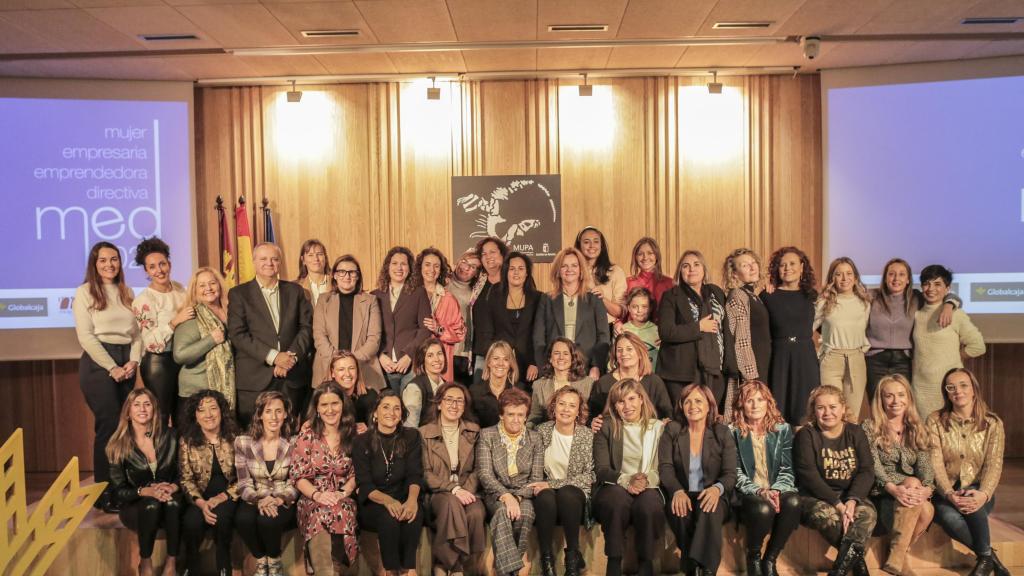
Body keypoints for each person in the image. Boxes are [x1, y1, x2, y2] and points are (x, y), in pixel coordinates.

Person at [75, 241, 141, 512]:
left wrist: (134, 361)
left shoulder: (128, 291)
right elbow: (86, 337)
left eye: (114, 259)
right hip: (97, 363)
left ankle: (121, 487)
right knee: (108, 427)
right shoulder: (85, 292)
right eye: (103, 260)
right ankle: (103, 492)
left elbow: (138, 333)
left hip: (126, 361)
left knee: (125, 428)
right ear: (94, 264)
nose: (109, 264)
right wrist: (111, 367)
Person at [927, 368, 1008, 576]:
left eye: (963, 385)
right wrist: (948, 493)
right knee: (948, 517)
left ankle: (986, 561)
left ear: (974, 389)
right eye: (951, 387)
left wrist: (983, 493)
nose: (958, 391)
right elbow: (935, 463)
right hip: (946, 491)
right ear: (946, 393)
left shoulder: (993, 423)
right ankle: (989, 560)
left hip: (978, 488)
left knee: (973, 506)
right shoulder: (935, 420)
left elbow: (994, 463)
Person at [794, 385, 877, 576]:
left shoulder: (855, 432)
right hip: (815, 496)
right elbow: (809, 476)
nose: (827, 412)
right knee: (828, 516)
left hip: (851, 495)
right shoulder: (806, 435)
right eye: (821, 407)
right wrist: (838, 504)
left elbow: (867, 471)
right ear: (814, 411)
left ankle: (838, 572)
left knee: (867, 516)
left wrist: (852, 500)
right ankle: (858, 567)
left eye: (832, 407)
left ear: (842, 408)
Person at [227, 242, 313, 425]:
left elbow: (306, 328)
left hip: (291, 378)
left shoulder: (295, 291)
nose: (269, 263)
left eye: (274, 259)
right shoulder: (238, 294)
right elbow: (238, 334)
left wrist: (289, 359)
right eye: (263, 259)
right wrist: (274, 357)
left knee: (289, 435)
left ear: (280, 262)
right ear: (254, 262)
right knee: (253, 438)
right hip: (255, 379)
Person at [592, 379, 666, 576]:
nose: (627, 406)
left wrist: (644, 481)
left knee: (649, 505)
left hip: (648, 484)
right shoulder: (606, 426)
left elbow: (663, 467)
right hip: (615, 484)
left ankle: (645, 563)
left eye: (632, 399)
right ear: (614, 405)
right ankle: (614, 562)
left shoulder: (658, 428)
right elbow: (601, 469)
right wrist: (626, 480)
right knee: (615, 500)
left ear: (641, 399)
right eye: (621, 401)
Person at [862, 375, 935, 576]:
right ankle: (898, 559)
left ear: (909, 398)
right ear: (881, 400)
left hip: (910, 495)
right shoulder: (869, 427)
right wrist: (893, 487)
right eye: (889, 396)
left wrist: (927, 489)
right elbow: (872, 465)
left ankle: (897, 556)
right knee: (917, 491)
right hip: (881, 491)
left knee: (927, 508)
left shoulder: (918, 428)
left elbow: (926, 467)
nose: (896, 401)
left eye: (901, 395)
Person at [659, 384, 736, 576]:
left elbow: (730, 474)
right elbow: (665, 468)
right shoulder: (673, 430)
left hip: (714, 494)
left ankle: (700, 568)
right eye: (688, 401)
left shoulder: (721, 432)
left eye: (698, 400)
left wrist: (716, 489)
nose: (693, 405)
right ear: (682, 406)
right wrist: (676, 490)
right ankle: (696, 569)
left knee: (709, 508)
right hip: (683, 492)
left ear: (709, 405)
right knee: (678, 511)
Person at [106, 388, 181, 576]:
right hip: (135, 504)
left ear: (154, 410)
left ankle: (171, 563)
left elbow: (185, 474)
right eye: (137, 404)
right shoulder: (118, 444)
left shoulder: (172, 436)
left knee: (172, 503)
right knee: (151, 506)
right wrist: (144, 491)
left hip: (170, 498)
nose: (142, 409)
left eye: (147, 404)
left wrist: (172, 486)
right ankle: (145, 562)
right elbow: (117, 492)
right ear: (128, 412)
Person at [730, 381, 801, 576]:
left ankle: (770, 558)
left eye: (760, 399)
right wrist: (761, 491)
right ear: (741, 405)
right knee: (762, 507)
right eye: (749, 400)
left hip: (777, 487)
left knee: (794, 501)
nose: (755, 405)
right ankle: (753, 556)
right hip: (749, 491)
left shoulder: (783, 429)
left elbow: (787, 468)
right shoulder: (732, 432)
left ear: (768, 402)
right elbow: (735, 473)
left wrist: (776, 491)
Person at [864, 258, 958, 405]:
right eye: (891, 274)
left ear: (908, 279)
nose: (896, 278)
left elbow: (949, 295)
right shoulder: (871, 296)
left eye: (902, 274)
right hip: (874, 360)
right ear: (885, 278)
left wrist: (949, 305)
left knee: (901, 405)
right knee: (877, 405)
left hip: (903, 360)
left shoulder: (917, 298)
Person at [291, 382, 360, 575]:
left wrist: (342, 492)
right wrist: (317, 495)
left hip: (343, 495)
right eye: (324, 405)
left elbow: (357, 473)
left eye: (335, 403)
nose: (330, 410)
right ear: (317, 409)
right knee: (319, 514)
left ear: (343, 404)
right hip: (312, 497)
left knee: (342, 510)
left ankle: (337, 570)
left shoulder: (353, 433)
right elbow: (298, 475)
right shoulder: (307, 435)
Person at [352, 390, 424, 576]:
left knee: (412, 515)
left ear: (401, 414)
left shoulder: (412, 437)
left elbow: (414, 475)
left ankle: (408, 570)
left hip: (403, 495)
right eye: (385, 407)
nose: (391, 413)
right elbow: (364, 484)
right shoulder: (362, 441)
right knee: (389, 518)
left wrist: (411, 500)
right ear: (375, 413)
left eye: (396, 408)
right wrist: (387, 501)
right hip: (373, 501)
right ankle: (391, 571)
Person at [476, 388, 545, 576]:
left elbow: (536, 479)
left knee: (527, 513)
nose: (516, 419)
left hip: (524, 494)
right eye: (510, 414)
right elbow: (485, 474)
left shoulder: (535, 439)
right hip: (495, 493)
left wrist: (518, 497)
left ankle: (504, 571)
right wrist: (506, 496)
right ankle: (514, 571)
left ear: (526, 416)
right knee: (501, 513)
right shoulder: (486, 435)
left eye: (520, 415)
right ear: (501, 415)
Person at [420, 382, 486, 576]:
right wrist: (454, 489)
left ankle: (445, 564)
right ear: (439, 404)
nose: (454, 405)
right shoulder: (423, 433)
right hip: (438, 493)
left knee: (475, 513)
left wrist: (465, 490)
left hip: (469, 491)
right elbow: (425, 473)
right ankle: (454, 567)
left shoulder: (474, 431)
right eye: (449, 400)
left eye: (459, 401)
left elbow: (479, 469)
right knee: (450, 503)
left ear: (464, 406)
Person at [531, 387, 595, 576]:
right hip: (546, 489)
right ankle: (547, 559)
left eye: (572, 405)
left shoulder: (587, 435)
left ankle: (572, 559)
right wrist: (548, 486)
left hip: (575, 492)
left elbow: (589, 475)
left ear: (578, 411)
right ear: (554, 406)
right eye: (562, 404)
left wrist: (554, 484)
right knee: (544, 498)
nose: (566, 409)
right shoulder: (541, 431)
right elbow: (535, 469)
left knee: (567, 493)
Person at [234, 391, 298, 576]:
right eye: (269, 411)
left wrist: (279, 499)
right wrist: (259, 499)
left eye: (279, 411)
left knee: (267, 521)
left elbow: (296, 481)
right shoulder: (243, 442)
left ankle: (275, 562)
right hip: (256, 495)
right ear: (260, 414)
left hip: (283, 497)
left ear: (286, 414)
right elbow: (243, 483)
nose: (274, 416)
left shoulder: (294, 442)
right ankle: (262, 561)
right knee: (243, 519)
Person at [179, 390, 239, 576]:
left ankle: (224, 566)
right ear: (195, 416)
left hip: (230, 495)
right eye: (202, 410)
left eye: (213, 408)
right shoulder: (187, 441)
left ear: (221, 411)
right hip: (201, 498)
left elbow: (245, 477)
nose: (209, 414)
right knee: (191, 521)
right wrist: (201, 503)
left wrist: (223, 496)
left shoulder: (237, 437)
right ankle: (191, 567)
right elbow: (185, 479)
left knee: (221, 518)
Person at [912, 265, 985, 418]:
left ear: (947, 288)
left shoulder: (955, 314)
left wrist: (956, 356)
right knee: (925, 438)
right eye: (927, 283)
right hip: (921, 389)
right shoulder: (916, 314)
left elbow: (978, 346)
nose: (931, 288)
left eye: (937, 284)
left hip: (949, 388)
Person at [657, 250, 727, 407]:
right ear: (680, 272)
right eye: (685, 266)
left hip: (714, 369)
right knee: (683, 420)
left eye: (696, 264)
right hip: (681, 372)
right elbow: (666, 332)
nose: (691, 269)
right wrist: (699, 327)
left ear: (704, 269)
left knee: (710, 419)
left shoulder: (716, 293)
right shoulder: (671, 296)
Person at [132, 237, 188, 424]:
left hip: (182, 359)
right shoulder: (144, 300)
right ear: (147, 271)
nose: (159, 270)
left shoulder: (181, 290)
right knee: (161, 417)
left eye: (162, 264)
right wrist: (174, 323)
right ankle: (160, 454)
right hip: (159, 364)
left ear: (169, 264)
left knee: (183, 415)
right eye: (152, 267)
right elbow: (149, 342)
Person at [761, 246, 819, 425]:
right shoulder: (768, 295)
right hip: (780, 357)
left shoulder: (812, 296)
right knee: (779, 411)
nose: (787, 268)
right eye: (782, 265)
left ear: (802, 267)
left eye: (792, 263)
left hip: (805, 357)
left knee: (805, 410)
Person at [312, 254, 386, 392]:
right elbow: (319, 336)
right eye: (341, 272)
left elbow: (374, 339)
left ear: (358, 276)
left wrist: (351, 365)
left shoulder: (370, 301)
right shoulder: (323, 300)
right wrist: (338, 364)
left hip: (364, 369)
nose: (347, 276)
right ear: (334, 275)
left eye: (352, 272)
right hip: (328, 369)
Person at [534, 247, 610, 379]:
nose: (570, 270)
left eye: (574, 265)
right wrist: (544, 369)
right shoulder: (546, 300)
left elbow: (603, 337)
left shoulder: (594, 299)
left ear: (581, 270)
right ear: (558, 271)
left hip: (587, 370)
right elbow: (539, 339)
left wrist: (596, 366)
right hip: (554, 370)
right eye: (564, 266)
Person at [815, 257, 872, 422]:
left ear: (855, 278)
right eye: (838, 274)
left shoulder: (864, 303)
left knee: (851, 414)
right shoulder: (825, 302)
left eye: (849, 274)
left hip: (856, 359)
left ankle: (850, 447)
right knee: (832, 411)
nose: (844, 278)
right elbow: (807, 327)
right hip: (831, 359)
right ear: (832, 278)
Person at [173, 267, 235, 419]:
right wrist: (211, 340)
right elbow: (180, 355)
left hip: (226, 390)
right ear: (194, 290)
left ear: (220, 285)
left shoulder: (231, 312)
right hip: (196, 393)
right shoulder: (191, 315)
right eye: (202, 285)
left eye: (212, 283)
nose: (208, 288)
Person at [373, 246, 433, 394]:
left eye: (403, 264)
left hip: (410, 365)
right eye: (394, 263)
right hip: (383, 366)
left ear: (409, 268)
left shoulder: (419, 293)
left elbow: (425, 329)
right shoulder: (374, 295)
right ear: (387, 267)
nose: (399, 268)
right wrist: (380, 355)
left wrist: (409, 355)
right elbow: (370, 332)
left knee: (410, 408)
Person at [476, 251, 542, 385]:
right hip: (500, 364)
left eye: (521, 269)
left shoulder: (538, 298)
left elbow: (540, 334)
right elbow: (487, 331)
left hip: (529, 366)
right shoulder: (494, 295)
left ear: (527, 273)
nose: (516, 273)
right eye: (512, 269)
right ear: (506, 272)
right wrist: (492, 360)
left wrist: (535, 362)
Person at [722, 248, 770, 422]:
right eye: (745, 265)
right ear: (734, 273)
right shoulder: (738, 296)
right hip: (751, 371)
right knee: (747, 418)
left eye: (753, 263)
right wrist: (751, 378)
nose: (752, 267)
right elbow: (740, 340)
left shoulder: (753, 296)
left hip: (762, 365)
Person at [590, 332, 674, 428]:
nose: (624, 354)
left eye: (629, 349)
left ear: (640, 353)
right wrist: (592, 423)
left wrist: (666, 422)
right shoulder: (603, 382)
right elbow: (591, 415)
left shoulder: (654, 381)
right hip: (614, 436)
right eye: (619, 350)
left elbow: (668, 414)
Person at [413, 247, 466, 383]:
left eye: (436, 266)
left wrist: (439, 329)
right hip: (413, 360)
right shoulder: (409, 296)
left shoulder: (448, 298)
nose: (431, 270)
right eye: (427, 265)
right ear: (420, 267)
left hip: (439, 363)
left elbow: (460, 333)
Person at [528, 338, 595, 427]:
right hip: (547, 435)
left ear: (573, 358)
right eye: (556, 353)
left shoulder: (588, 383)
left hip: (579, 435)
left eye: (566, 353)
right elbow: (534, 417)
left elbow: (592, 416)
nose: (561, 357)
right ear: (550, 358)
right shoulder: (539, 385)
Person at [471, 237, 509, 383]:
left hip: (506, 354)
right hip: (481, 353)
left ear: (502, 255)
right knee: (480, 397)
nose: (488, 257)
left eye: (492, 252)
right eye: (484, 254)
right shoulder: (477, 282)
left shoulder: (514, 279)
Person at [575, 226, 627, 324]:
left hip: (607, 328)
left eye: (596, 241)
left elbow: (620, 312)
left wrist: (602, 298)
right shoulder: (573, 271)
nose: (591, 245)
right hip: (580, 327)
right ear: (579, 246)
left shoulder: (615, 271)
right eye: (586, 242)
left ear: (601, 245)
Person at [470, 340, 522, 429]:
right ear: (489, 362)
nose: (500, 363)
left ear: (510, 364)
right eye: (496, 358)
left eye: (506, 359)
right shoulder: (474, 391)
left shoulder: (520, 391)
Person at [448, 249, 482, 385]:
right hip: (441, 350)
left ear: (476, 273)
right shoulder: (442, 283)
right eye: (464, 262)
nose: (466, 268)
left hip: (462, 353)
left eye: (473, 267)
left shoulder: (475, 293)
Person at [328, 350, 379, 433]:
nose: (347, 374)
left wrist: (369, 430)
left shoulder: (371, 396)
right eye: (341, 369)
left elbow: (379, 429)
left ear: (357, 371)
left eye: (351, 368)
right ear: (332, 373)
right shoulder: (324, 396)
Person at [403, 337, 448, 427]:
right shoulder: (414, 388)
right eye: (430, 355)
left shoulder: (447, 386)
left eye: (439, 354)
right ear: (422, 361)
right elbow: (411, 427)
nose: (437, 359)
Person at [616, 287, 660, 371]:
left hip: (651, 377)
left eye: (644, 307)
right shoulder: (622, 330)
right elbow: (614, 357)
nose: (639, 310)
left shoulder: (657, 331)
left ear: (650, 308)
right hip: (628, 379)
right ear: (628, 308)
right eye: (635, 307)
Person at [625, 236, 674, 307]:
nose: (645, 257)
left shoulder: (669, 283)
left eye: (650, 253)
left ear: (656, 256)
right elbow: (624, 313)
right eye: (640, 254)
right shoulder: (628, 283)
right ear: (635, 258)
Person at [296, 239, 330, 307]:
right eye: (310, 255)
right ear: (303, 260)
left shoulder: (337, 283)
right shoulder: (296, 287)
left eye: (319, 254)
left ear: (325, 258)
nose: (316, 259)